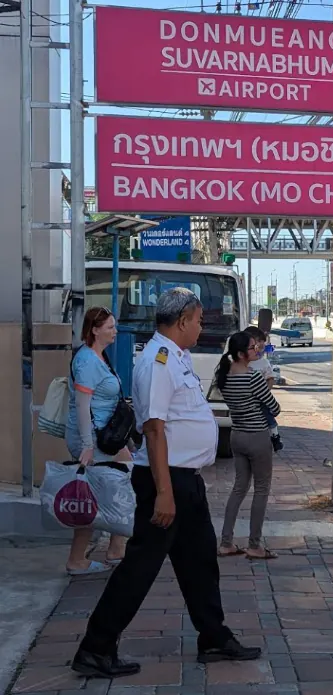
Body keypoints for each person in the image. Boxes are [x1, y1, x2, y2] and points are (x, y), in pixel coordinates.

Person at [71, 288, 260, 679]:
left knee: (201, 561)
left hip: (184, 480)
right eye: (199, 320)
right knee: (139, 568)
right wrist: (164, 494)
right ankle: (95, 648)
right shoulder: (159, 362)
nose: (201, 326)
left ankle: (213, 637)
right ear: (182, 321)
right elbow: (154, 430)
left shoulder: (178, 358)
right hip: (166, 481)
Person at [64, 306, 131, 575]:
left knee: (116, 489)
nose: (115, 331)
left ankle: (116, 547)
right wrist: (87, 445)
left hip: (106, 437)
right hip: (93, 438)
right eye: (110, 327)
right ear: (94, 330)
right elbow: (82, 406)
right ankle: (79, 559)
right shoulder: (88, 362)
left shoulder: (98, 357)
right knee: (91, 498)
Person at [217, 330, 281, 560]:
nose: (257, 350)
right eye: (253, 347)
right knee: (261, 489)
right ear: (243, 353)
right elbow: (274, 408)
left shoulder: (224, 375)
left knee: (239, 487)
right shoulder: (253, 377)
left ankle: (226, 542)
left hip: (237, 435)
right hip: (257, 436)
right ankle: (254, 545)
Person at [244, 325, 282, 452]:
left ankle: (275, 436)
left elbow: (270, 380)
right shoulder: (237, 363)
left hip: (261, 399)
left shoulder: (264, 363)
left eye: (262, 341)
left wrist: (264, 393)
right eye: (257, 341)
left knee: (268, 413)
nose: (260, 345)